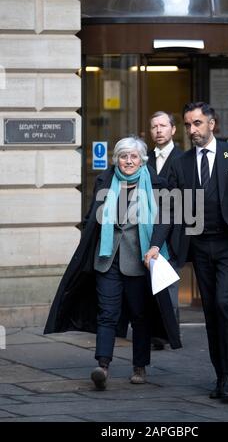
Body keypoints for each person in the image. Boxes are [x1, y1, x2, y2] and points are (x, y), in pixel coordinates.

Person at [145, 102, 228, 402]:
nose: (192, 130)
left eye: (197, 123)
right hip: (199, 247)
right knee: (211, 310)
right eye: (187, 125)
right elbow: (169, 207)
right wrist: (157, 243)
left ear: (212, 124)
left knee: (225, 305)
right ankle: (221, 375)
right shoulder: (182, 163)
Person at [44, 136, 181, 390]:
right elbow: (92, 216)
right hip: (106, 259)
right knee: (106, 314)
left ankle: (139, 366)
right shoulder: (105, 180)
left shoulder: (156, 183)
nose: (128, 161)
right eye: (123, 156)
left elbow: (165, 217)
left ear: (142, 160)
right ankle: (102, 366)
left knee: (140, 317)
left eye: (134, 156)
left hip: (139, 260)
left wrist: (154, 246)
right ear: (116, 159)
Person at [148, 111, 183, 350]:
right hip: (148, 228)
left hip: (175, 230)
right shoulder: (144, 158)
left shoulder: (184, 158)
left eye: (163, 125)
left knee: (169, 283)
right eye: (154, 127)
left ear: (173, 130)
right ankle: (155, 333)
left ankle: (171, 332)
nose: (159, 130)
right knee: (150, 281)